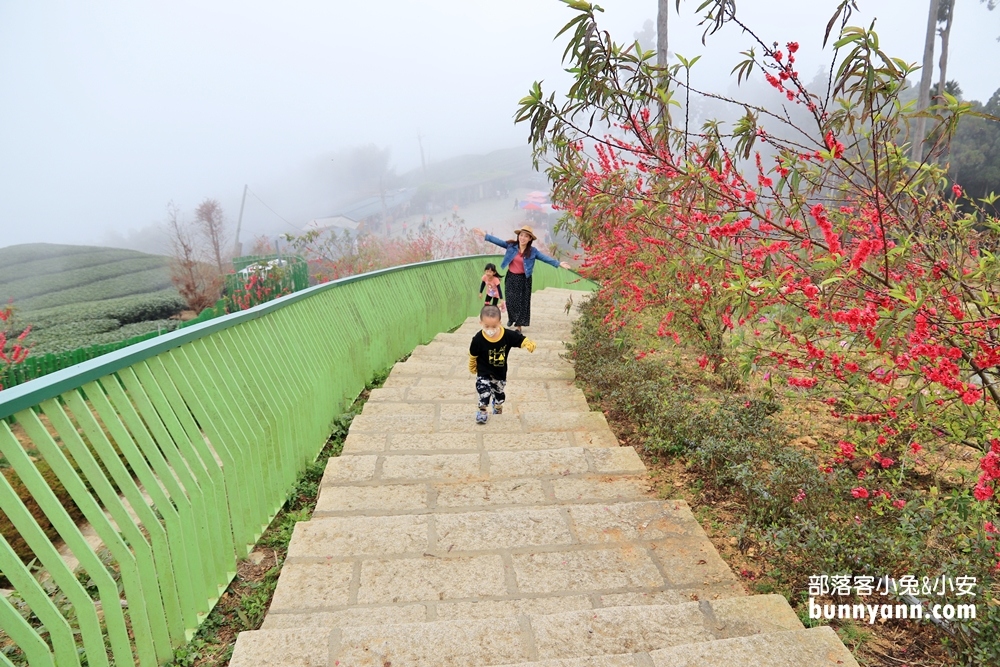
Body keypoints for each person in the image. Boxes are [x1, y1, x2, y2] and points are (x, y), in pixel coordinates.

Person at [474, 225, 571, 331]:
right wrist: (485, 235)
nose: (523, 238)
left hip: (524, 279)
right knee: (510, 301)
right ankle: (512, 318)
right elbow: (498, 241)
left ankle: (518, 326)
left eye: (526, 236)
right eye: (521, 235)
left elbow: (545, 258)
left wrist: (559, 263)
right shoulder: (511, 246)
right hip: (511, 277)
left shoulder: (533, 251)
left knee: (522, 302)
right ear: (518, 236)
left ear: (530, 239)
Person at [468, 304, 536, 423]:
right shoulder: (478, 339)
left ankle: (498, 405)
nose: (490, 329)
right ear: (481, 323)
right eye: (486, 326)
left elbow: (519, 339)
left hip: (499, 372)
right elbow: (473, 354)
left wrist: (527, 343)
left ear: (500, 322)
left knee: (498, 392)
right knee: (484, 390)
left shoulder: (506, 335)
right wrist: (472, 365)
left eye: (494, 326)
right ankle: (482, 410)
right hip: (483, 371)